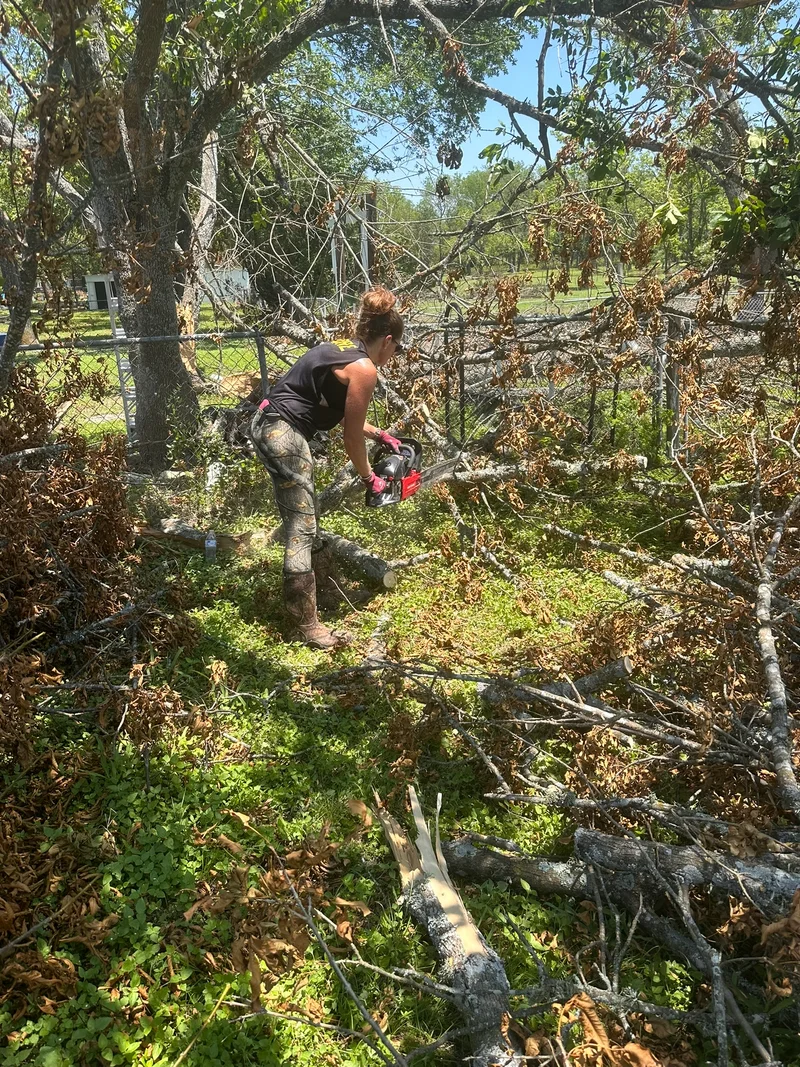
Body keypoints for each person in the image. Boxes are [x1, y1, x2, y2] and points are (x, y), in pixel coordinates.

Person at [251, 286, 406, 649]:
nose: (393, 355)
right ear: (387, 340)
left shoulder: (340, 349)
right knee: (301, 528)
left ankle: (328, 592)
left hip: (268, 424)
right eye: (396, 348)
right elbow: (350, 438)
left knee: (305, 515)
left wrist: (380, 434)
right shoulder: (365, 369)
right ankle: (306, 626)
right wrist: (370, 479)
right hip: (283, 433)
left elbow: (348, 419)